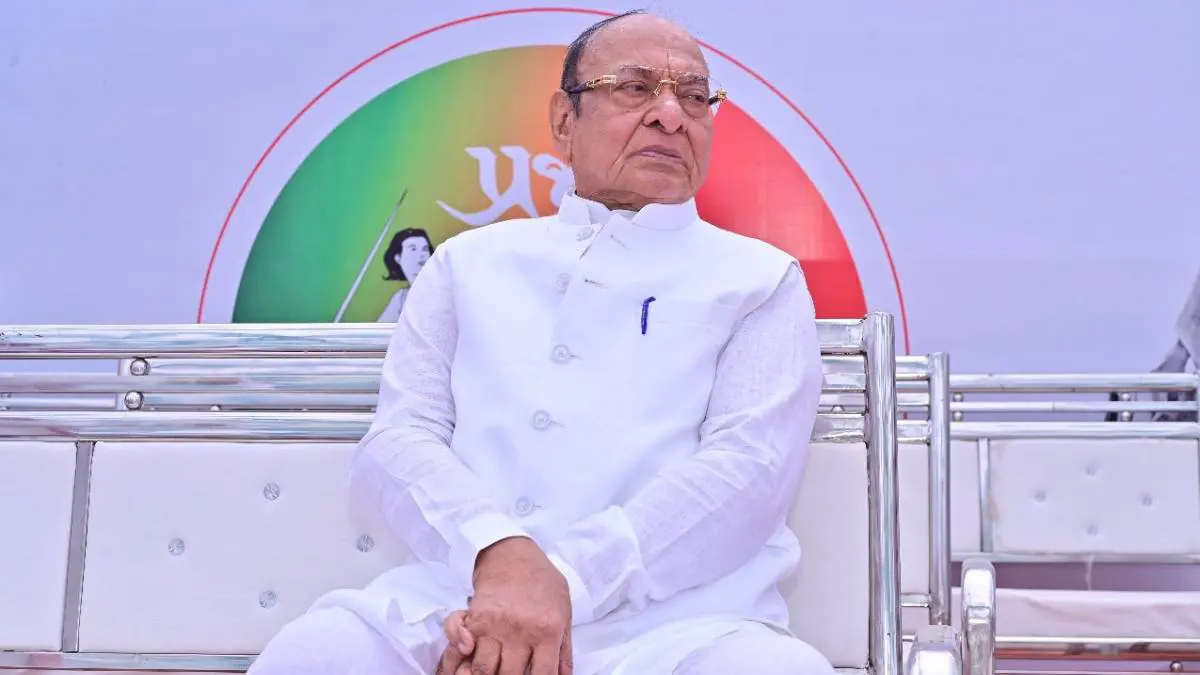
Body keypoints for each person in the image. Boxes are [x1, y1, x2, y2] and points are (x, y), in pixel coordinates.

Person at [248, 10, 830, 675]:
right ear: (563, 120)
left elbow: (746, 474)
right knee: (313, 655)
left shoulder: (759, 279)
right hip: (458, 600)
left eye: (694, 96)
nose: (671, 115)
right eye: (635, 87)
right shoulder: (468, 263)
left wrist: (558, 585)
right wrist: (495, 554)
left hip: (679, 627)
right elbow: (400, 441)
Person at [377, 228, 435, 322]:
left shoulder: (441, 291)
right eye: (413, 249)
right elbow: (381, 327)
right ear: (398, 258)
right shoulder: (401, 297)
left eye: (425, 249)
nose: (422, 255)